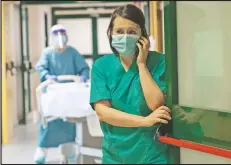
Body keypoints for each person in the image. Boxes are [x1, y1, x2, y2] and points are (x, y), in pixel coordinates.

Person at [90, 4, 171, 164]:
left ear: (143, 36)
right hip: (116, 155)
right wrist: (145, 121)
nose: (125, 37)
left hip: (152, 153)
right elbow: (103, 112)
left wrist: (141, 65)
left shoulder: (158, 62)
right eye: (119, 31)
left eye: (132, 32)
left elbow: (157, 105)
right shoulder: (102, 66)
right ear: (111, 34)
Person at [34, 24, 89, 164]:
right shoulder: (47, 53)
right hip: (53, 93)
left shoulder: (72, 52)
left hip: (70, 94)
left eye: (62, 34)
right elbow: (41, 68)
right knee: (50, 121)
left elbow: (83, 68)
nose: (60, 37)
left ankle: (68, 150)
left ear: (66, 36)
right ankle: (42, 149)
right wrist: (48, 77)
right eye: (56, 34)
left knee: (69, 122)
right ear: (51, 37)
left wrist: (83, 77)